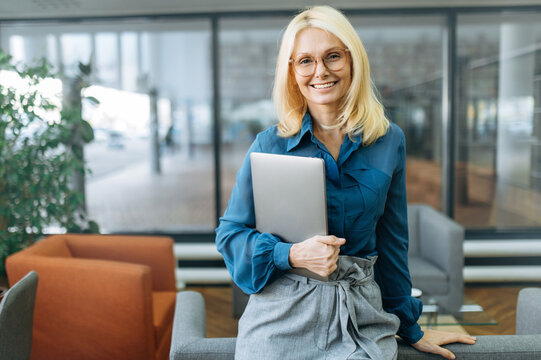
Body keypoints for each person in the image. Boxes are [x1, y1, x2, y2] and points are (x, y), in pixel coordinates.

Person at [216, 6, 476, 360]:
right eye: (305, 61)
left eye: (332, 56)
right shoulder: (269, 144)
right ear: (291, 72)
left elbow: (392, 240)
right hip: (281, 312)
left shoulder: (389, 140)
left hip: (360, 312)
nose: (320, 71)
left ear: (352, 61)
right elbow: (230, 235)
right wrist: (289, 253)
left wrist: (410, 327)